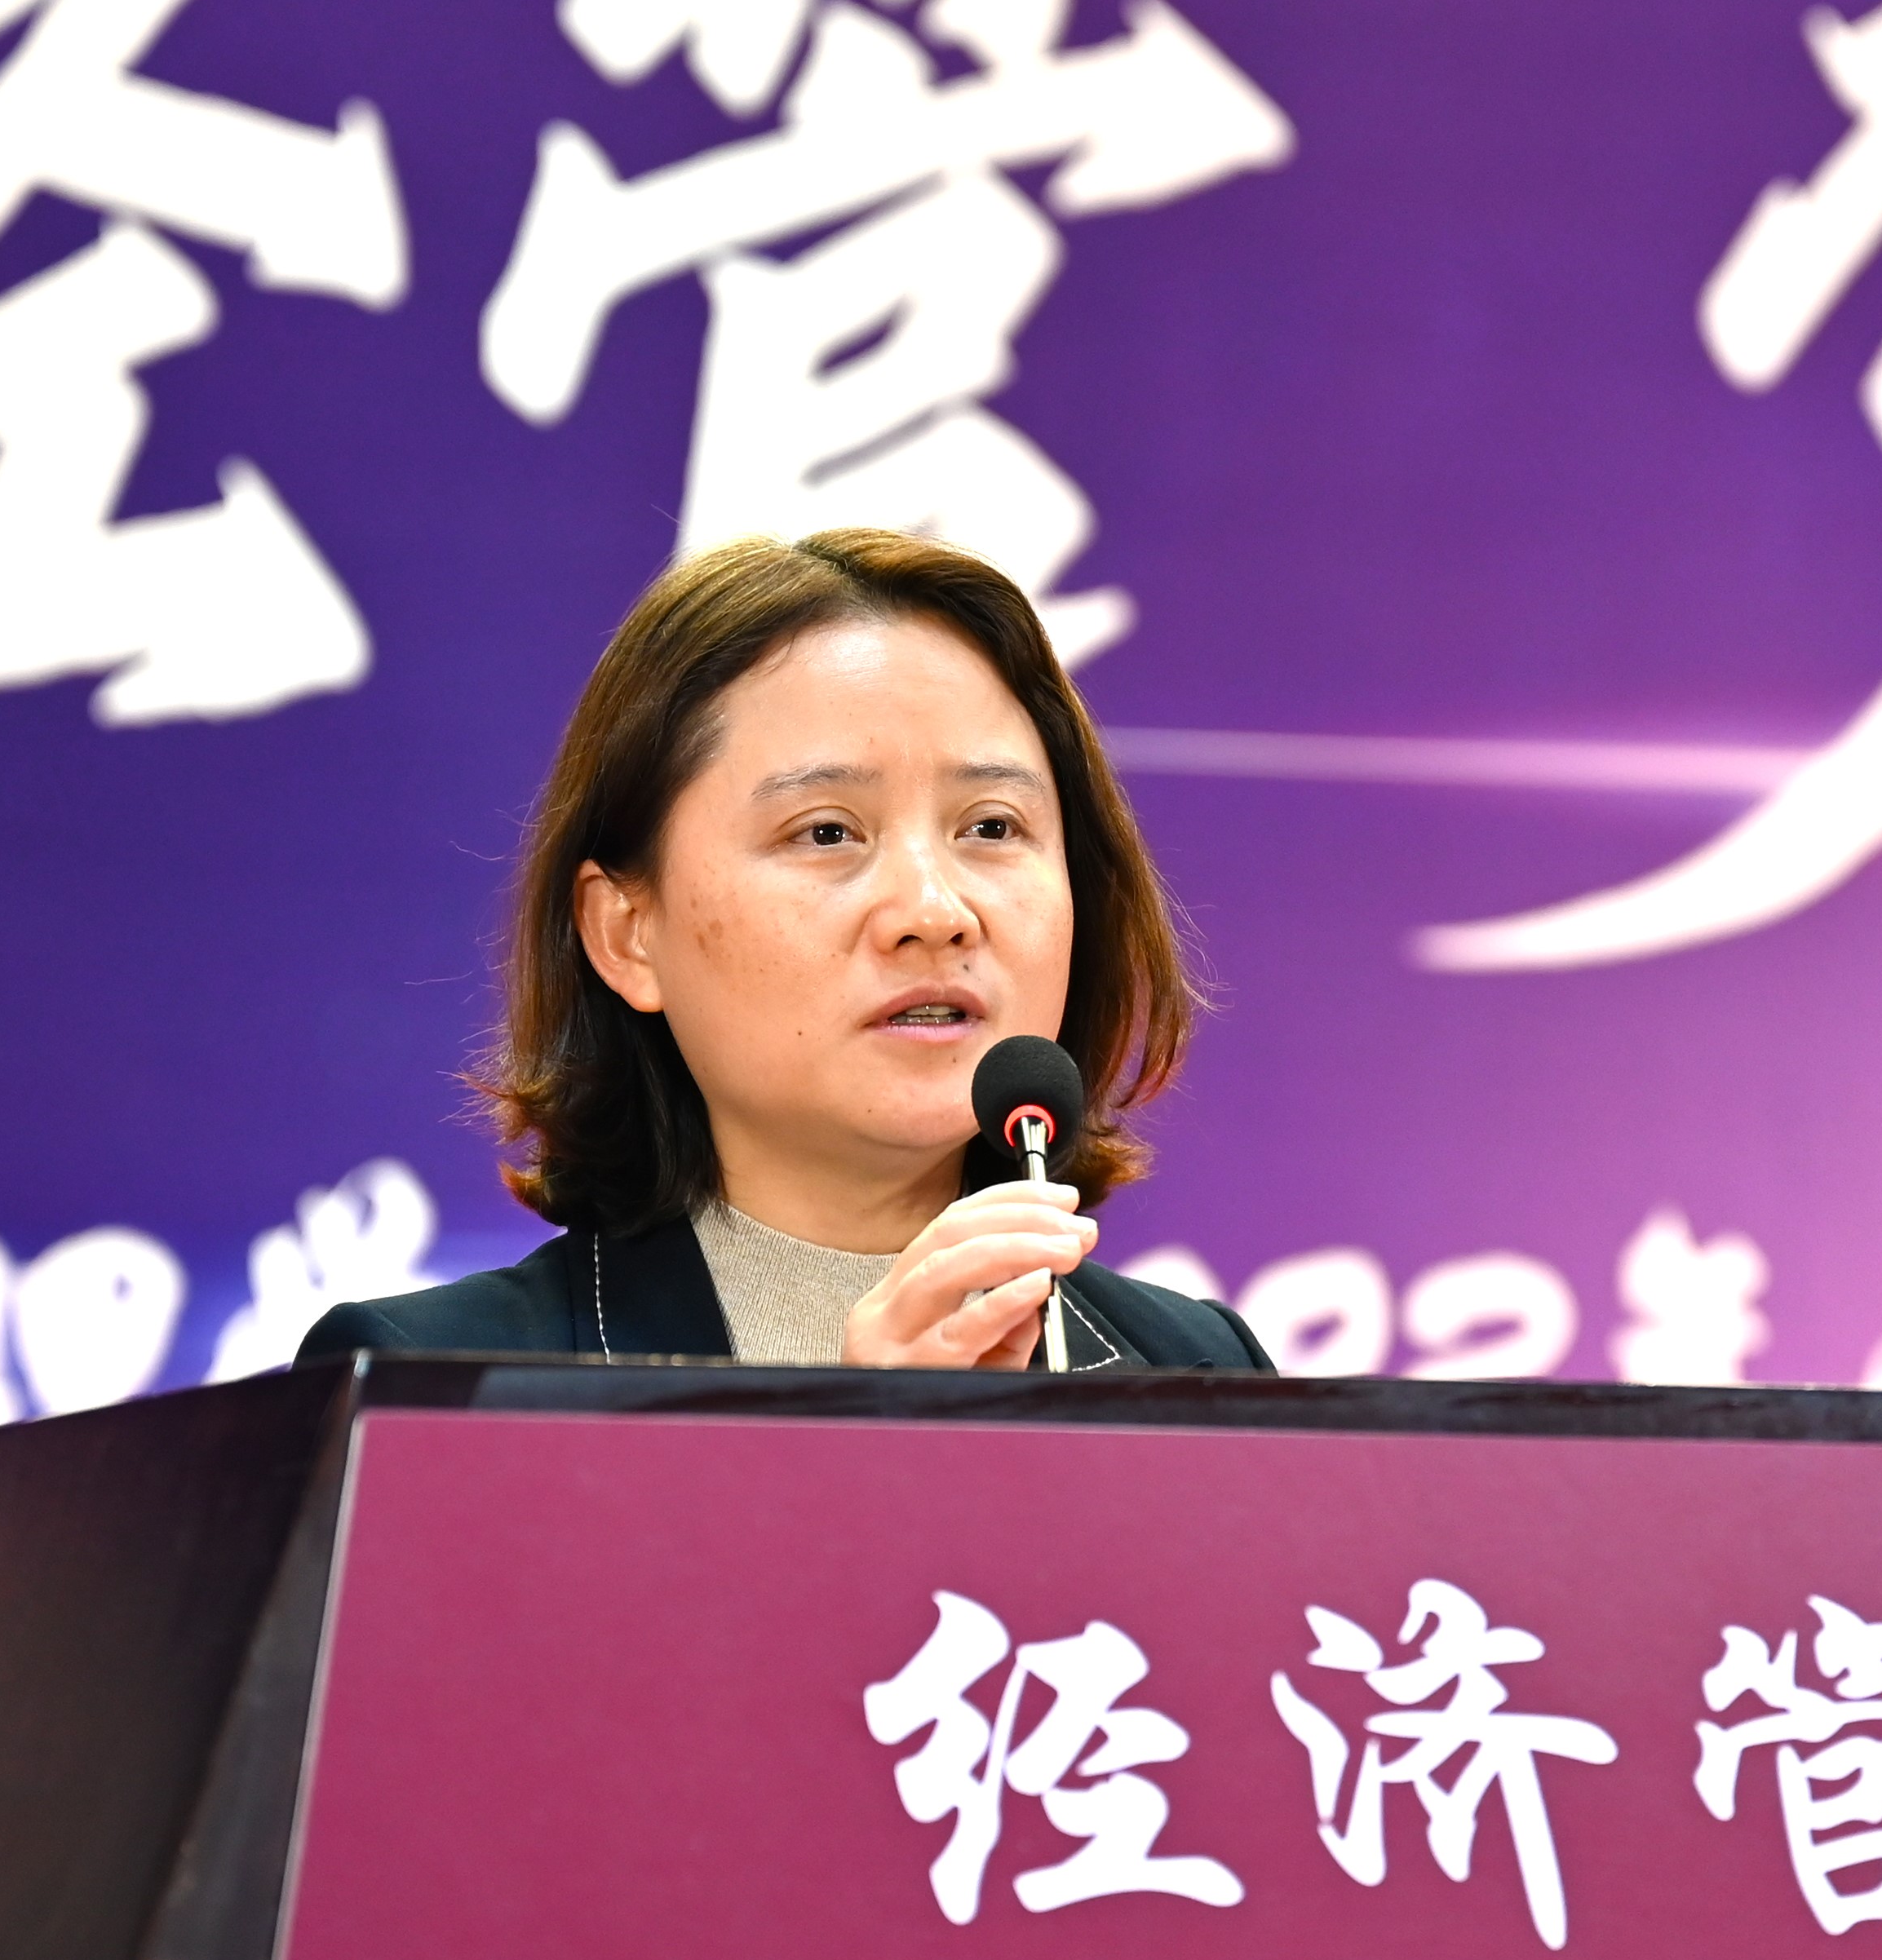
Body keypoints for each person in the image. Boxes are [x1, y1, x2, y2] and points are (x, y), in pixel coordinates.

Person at [298, 529, 1271, 1369]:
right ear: (625, 933)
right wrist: (854, 1461)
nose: (933, 910)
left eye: (990, 826)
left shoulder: (1196, 1371)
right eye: (826, 832)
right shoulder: (428, 1382)